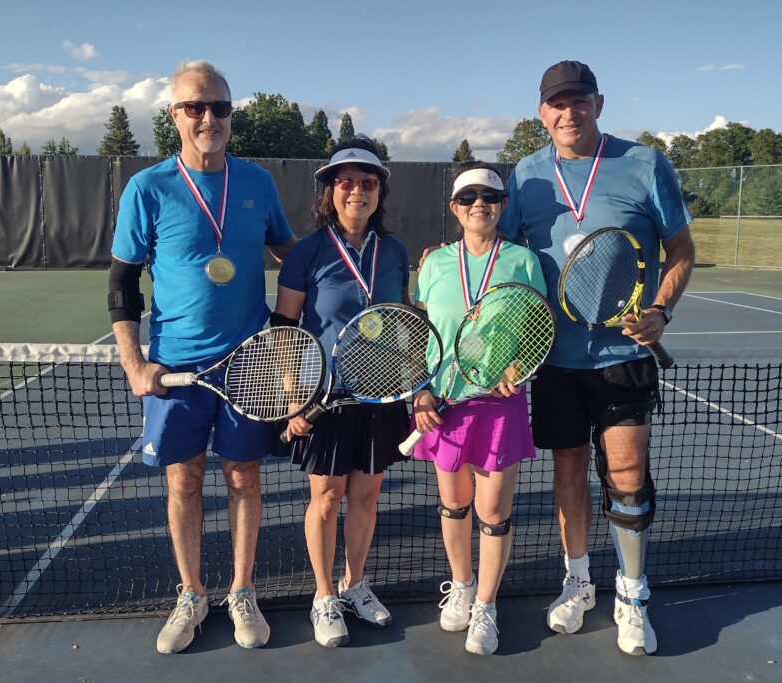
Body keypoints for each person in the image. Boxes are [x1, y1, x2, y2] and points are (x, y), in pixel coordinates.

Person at [497, 60, 696, 656]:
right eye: (556, 103)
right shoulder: (525, 175)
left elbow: (681, 248)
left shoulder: (644, 164)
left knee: (628, 476)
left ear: (598, 104)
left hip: (623, 354)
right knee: (567, 474)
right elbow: (504, 258)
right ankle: (578, 582)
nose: (568, 112)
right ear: (542, 113)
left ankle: (632, 595)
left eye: (578, 100)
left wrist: (661, 308)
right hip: (554, 359)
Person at [108, 60, 296, 654]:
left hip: (248, 365)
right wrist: (134, 364)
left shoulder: (258, 183)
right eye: (195, 107)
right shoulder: (148, 188)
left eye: (219, 106)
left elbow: (295, 255)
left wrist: (364, 251)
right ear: (175, 116)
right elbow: (121, 283)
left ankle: (242, 590)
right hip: (174, 367)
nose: (208, 117)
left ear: (231, 115)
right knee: (183, 482)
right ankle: (191, 593)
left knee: (244, 478)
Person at [274, 135, 411, 648]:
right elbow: (285, 327)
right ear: (330, 190)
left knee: (366, 496)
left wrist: (408, 386)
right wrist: (294, 399)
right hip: (323, 397)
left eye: (368, 183)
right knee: (326, 497)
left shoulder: (394, 251)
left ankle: (356, 584)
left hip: (379, 397)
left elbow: (402, 322)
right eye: (347, 182)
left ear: (379, 192)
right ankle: (324, 594)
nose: (358, 191)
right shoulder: (307, 252)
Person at [410, 162, 546, 655]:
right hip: (441, 404)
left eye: (489, 197)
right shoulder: (433, 264)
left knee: (492, 510)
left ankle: (486, 606)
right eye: (467, 199)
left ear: (502, 206)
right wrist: (420, 390)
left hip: (499, 404)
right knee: (454, 504)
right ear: (454, 209)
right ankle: (462, 586)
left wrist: (519, 368)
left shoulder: (523, 262)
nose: (478, 206)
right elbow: (420, 334)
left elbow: (536, 331)